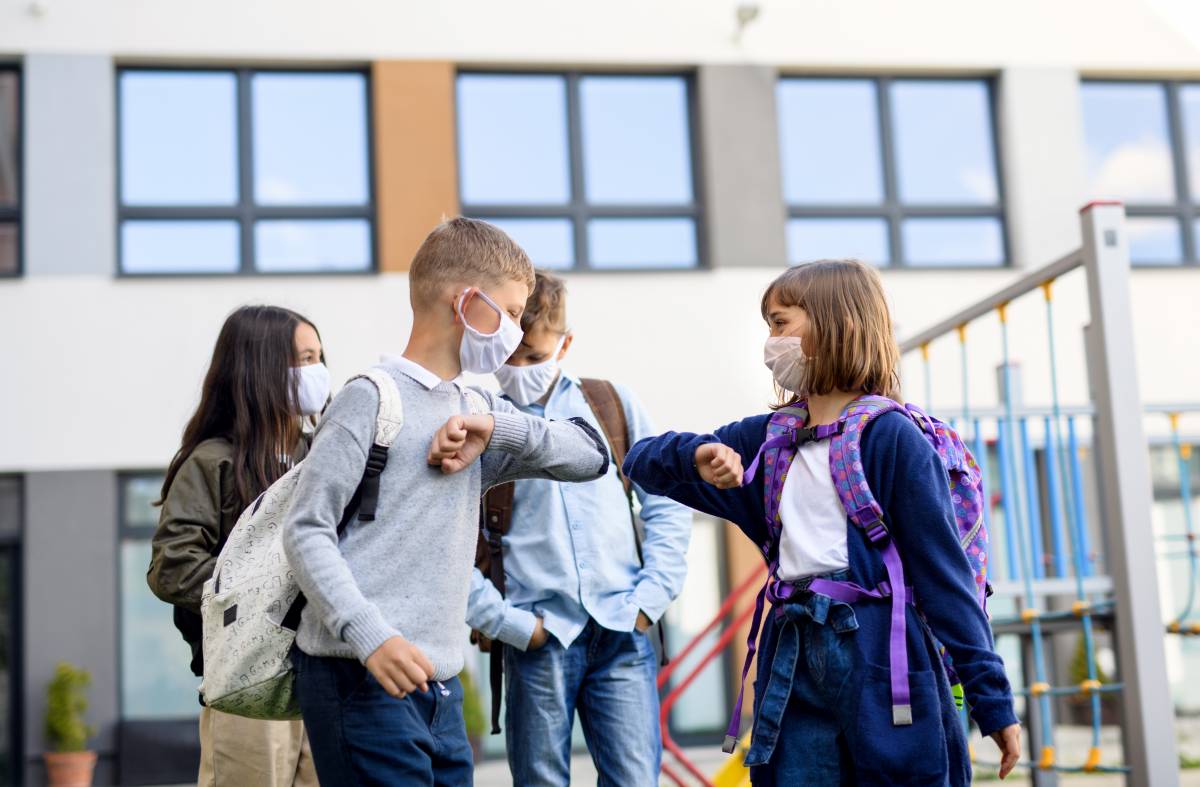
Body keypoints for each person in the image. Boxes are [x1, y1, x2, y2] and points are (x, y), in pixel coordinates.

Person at [622, 260, 1022, 785]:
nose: (770, 341)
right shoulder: (763, 440)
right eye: (767, 325)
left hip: (880, 652)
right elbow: (640, 462)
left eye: (781, 322)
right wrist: (698, 454)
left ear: (836, 324)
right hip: (790, 654)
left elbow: (945, 579)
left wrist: (993, 703)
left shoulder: (892, 438)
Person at [282, 218, 609, 786]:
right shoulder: (369, 397)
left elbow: (591, 454)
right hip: (359, 676)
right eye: (507, 312)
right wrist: (370, 636)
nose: (514, 330)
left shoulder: (478, 406)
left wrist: (495, 427)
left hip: (441, 687)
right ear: (465, 302)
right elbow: (305, 530)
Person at [466, 270, 692, 786]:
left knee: (635, 780)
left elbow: (667, 502)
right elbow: (446, 544)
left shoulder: (610, 403)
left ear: (566, 344)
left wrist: (649, 600)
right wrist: (508, 624)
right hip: (538, 636)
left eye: (535, 356)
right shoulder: (479, 418)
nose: (520, 369)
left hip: (622, 627)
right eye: (511, 357)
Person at [148, 304, 327, 787]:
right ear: (260, 370)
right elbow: (173, 568)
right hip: (249, 681)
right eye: (302, 360)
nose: (316, 373)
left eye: (318, 357)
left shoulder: (324, 453)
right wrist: (267, 599)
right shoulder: (213, 462)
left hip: (324, 679)